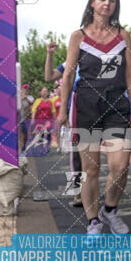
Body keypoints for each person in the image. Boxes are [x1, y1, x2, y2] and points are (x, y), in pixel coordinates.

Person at [58, 0, 131, 235]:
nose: (107, 3)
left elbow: (129, 75)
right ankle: (92, 220)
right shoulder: (78, 37)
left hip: (116, 104)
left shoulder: (123, 36)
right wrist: (62, 110)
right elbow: (68, 75)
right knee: (90, 170)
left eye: (112, 0)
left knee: (121, 165)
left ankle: (110, 209)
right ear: (92, 2)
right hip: (86, 105)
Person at [45, 42, 83, 205]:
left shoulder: (99, 60)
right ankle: (78, 191)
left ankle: (89, 192)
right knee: (76, 153)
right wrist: (50, 54)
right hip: (75, 113)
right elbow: (49, 77)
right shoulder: (70, 62)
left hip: (96, 109)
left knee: (92, 153)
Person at [30, 86, 55, 152]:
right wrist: (32, 119)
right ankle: (41, 148)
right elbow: (34, 111)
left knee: (47, 134)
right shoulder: (37, 101)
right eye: (43, 91)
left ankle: (46, 148)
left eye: (46, 91)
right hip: (39, 121)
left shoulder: (50, 101)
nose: (44, 93)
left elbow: (53, 111)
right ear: (40, 92)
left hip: (48, 121)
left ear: (47, 93)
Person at [20, 84, 34, 151]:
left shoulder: (30, 97)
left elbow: (31, 103)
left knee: (26, 133)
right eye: (25, 89)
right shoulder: (18, 97)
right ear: (22, 89)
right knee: (21, 133)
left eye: (28, 89)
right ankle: (22, 146)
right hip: (20, 117)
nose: (26, 90)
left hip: (27, 118)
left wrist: (25, 98)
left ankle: (24, 146)